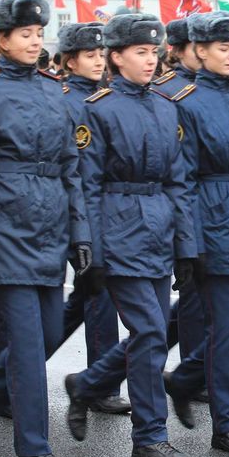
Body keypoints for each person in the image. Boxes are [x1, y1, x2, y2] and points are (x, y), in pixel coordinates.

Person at [0, 0, 88, 457]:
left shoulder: (55, 90)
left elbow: (71, 166)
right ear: (1, 40)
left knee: (51, 333)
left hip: (50, 225)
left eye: (38, 33)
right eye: (24, 35)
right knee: (28, 348)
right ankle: (34, 447)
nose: (34, 42)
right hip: (6, 227)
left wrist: (80, 232)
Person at [64, 13, 197, 457]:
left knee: (151, 333)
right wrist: (93, 254)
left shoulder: (165, 106)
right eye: (139, 52)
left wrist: (186, 248)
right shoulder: (96, 109)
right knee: (151, 333)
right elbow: (87, 185)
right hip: (119, 233)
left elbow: (177, 181)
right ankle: (150, 437)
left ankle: (87, 384)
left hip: (158, 232)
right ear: (115, 57)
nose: (149, 59)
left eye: (153, 51)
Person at [163, 11, 229, 454]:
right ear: (199, 51)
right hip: (211, 221)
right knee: (227, 330)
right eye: (222, 48)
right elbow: (180, 181)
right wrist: (189, 243)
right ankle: (225, 423)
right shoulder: (184, 102)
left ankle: (184, 380)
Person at [56, 21, 130, 415]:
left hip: (105, 207)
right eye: (90, 55)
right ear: (70, 61)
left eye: (102, 55)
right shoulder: (67, 99)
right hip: (79, 206)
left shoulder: (105, 96)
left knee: (84, 300)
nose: (99, 62)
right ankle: (100, 385)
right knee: (98, 298)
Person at [152, 18, 205, 362]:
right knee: (190, 298)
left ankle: (192, 370)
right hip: (180, 201)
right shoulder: (166, 91)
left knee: (198, 301)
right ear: (178, 50)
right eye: (195, 48)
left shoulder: (213, 88)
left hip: (208, 202)